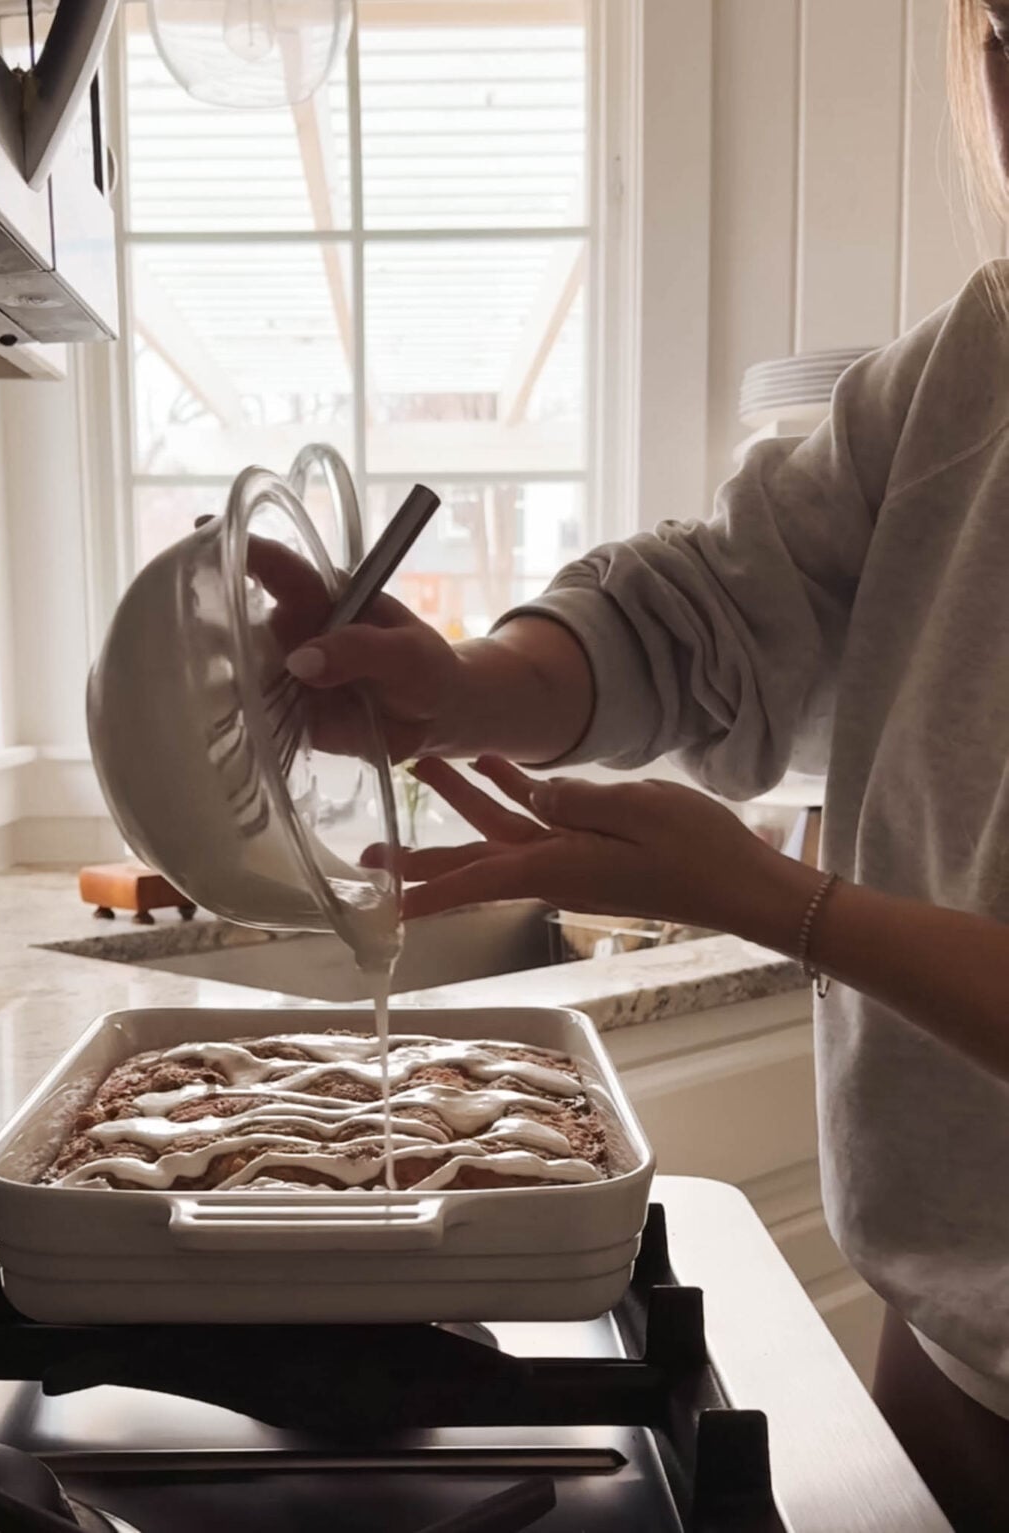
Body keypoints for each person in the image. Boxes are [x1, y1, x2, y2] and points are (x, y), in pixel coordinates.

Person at [270, 2, 1009, 1525]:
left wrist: (784, 904)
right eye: (1003, 31)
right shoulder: (975, 364)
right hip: (952, 1316)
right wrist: (465, 686)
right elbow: (713, 611)